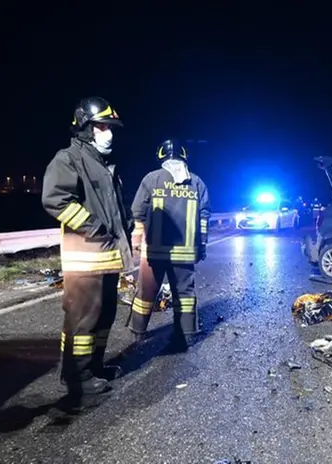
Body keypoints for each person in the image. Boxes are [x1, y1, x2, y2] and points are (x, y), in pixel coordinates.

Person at [41, 96, 133, 399]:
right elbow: (55, 199)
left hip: (107, 256)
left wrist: (127, 224)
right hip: (85, 257)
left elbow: (115, 207)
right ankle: (75, 375)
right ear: (84, 127)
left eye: (110, 127)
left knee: (104, 315)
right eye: (102, 126)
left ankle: (94, 366)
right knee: (83, 318)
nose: (109, 132)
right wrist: (93, 227)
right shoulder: (69, 158)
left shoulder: (104, 164)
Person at [128, 139, 211, 352]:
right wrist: (201, 245)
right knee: (185, 294)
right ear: (184, 156)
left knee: (146, 292)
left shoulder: (152, 179)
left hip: (155, 251)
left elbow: (137, 212)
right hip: (185, 253)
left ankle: (138, 333)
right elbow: (204, 218)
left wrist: (136, 246)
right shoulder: (197, 182)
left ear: (161, 155)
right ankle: (187, 335)